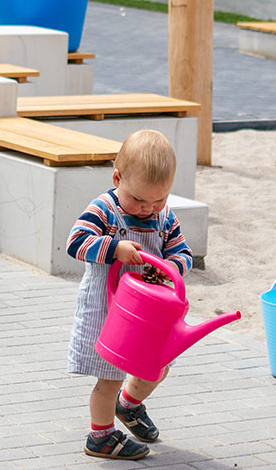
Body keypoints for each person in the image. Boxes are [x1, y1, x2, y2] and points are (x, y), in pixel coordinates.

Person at [66, 130, 193, 461]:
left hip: (149, 315)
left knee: (157, 366)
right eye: (139, 200)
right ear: (117, 178)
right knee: (110, 377)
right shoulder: (105, 209)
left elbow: (183, 253)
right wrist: (114, 248)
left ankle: (129, 405)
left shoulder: (163, 217)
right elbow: (75, 242)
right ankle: (101, 435)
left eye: (159, 200)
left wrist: (172, 267)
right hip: (108, 310)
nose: (148, 210)